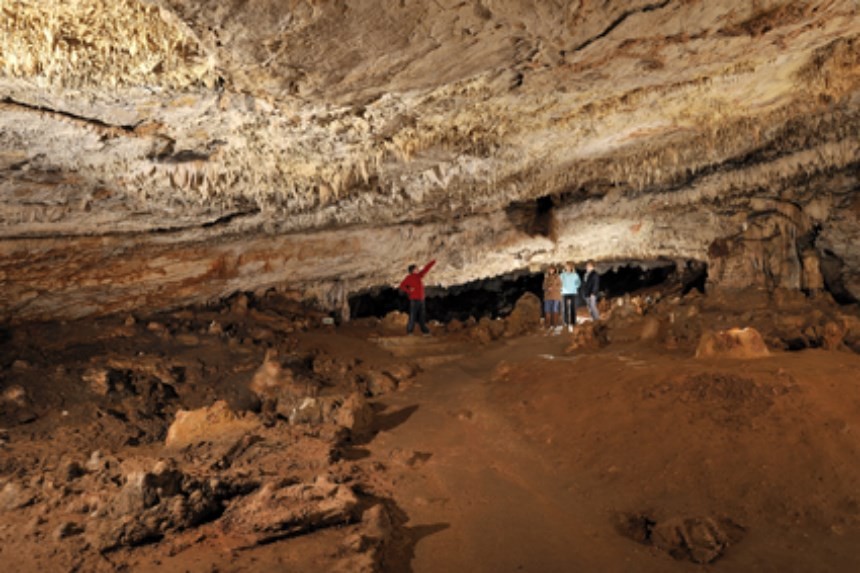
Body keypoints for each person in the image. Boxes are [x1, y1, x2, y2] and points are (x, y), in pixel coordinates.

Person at [398, 259, 436, 335]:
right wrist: (409, 290)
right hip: (414, 300)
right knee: (413, 316)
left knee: (422, 316)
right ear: (413, 270)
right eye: (416, 268)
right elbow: (402, 285)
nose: (418, 269)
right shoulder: (409, 277)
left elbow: (426, 269)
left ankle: (425, 331)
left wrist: (433, 262)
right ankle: (410, 331)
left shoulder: (419, 276)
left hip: (421, 300)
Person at [560, 261, 581, 332]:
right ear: (565, 267)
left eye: (569, 266)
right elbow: (559, 282)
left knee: (573, 308)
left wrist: (575, 286)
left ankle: (573, 322)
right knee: (565, 308)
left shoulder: (575, 274)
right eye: (566, 266)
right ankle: (565, 322)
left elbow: (578, 283)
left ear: (571, 267)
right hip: (564, 293)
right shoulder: (562, 275)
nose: (568, 267)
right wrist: (561, 288)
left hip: (573, 292)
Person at [542, 265, 563, 334]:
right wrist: (547, 288)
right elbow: (543, 286)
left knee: (554, 309)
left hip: (556, 296)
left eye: (552, 269)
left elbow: (560, 285)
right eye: (550, 269)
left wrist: (553, 288)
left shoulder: (557, 277)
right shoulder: (546, 277)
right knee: (547, 310)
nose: (551, 271)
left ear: (554, 270)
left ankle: (555, 324)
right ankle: (548, 325)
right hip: (548, 296)